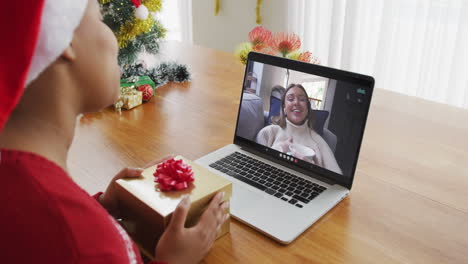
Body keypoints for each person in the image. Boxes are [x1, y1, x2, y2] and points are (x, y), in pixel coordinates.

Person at [0, 1, 228, 263]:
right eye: (99, 19)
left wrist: (100, 208)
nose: (115, 38)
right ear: (65, 41)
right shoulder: (91, 243)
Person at [256, 84, 342, 174]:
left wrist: (316, 171)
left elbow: (336, 178)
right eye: (290, 99)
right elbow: (257, 167)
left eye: (302, 99)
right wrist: (280, 148)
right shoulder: (268, 133)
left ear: (307, 109)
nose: (296, 102)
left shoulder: (319, 142)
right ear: (284, 108)